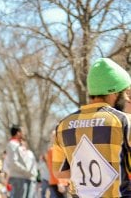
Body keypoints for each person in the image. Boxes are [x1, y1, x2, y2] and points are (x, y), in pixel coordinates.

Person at [52, 57, 131, 197]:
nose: (127, 98)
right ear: (114, 93)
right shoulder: (124, 121)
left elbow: (59, 172)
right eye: (125, 93)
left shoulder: (63, 125)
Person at [6, 125, 38, 198]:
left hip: (25, 177)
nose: (24, 133)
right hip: (19, 178)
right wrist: (27, 171)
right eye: (22, 132)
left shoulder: (19, 144)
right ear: (18, 133)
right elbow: (14, 162)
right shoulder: (12, 144)